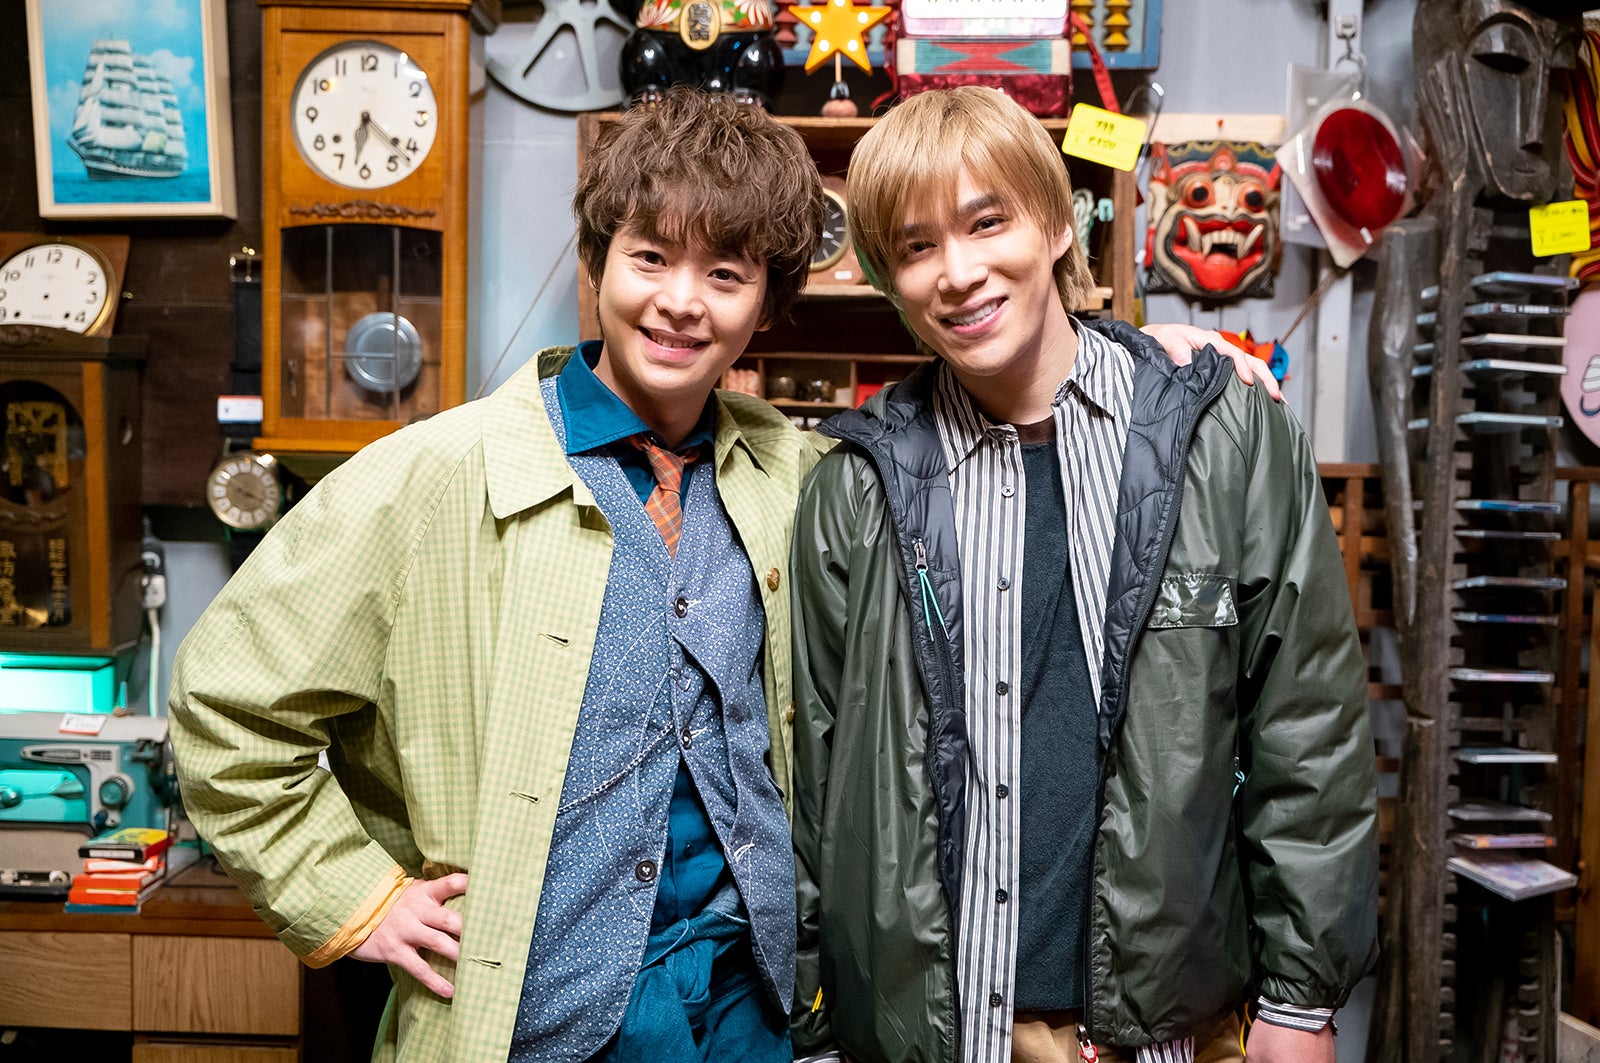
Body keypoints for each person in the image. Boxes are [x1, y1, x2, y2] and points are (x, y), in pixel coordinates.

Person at [168, 87, 1278, 1063]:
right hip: (529, 1018)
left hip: (753, 1016)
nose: (680, 302)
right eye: (649, 258)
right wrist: (359, 897)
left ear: (767, 304)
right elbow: (227, 704)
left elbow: (989, 407)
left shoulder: (802, 476)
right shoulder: (438, 473)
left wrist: (1160, 362)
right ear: (598, 261)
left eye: (726, 274)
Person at [788, 86, 1379, 1063]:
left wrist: (1300, 1001)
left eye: (987, 223)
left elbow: (1304, 722)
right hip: (934, 1032)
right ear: (889, 280)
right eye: (917, 246)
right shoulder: (856, 485)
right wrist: (812, 1033)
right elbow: (815, 783)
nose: (959, 273)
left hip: (1165, 1029)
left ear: (1059, 224)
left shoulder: (1219, 435)